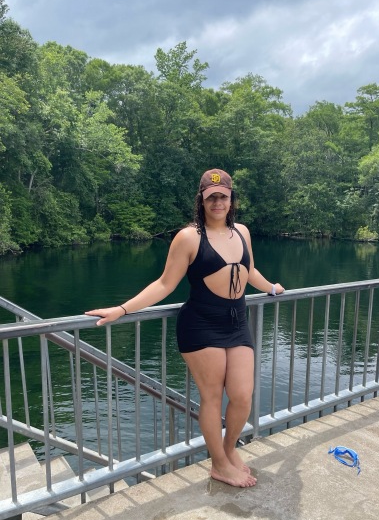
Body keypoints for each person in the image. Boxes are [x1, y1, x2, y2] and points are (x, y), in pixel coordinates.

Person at [86, 169, 284, 488]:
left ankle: (229, 450)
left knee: (242, 395)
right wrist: (122, 309)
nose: (217, 202)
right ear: (201, 201)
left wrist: (271, 287)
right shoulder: (190, 237)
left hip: (236, 322)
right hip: (201, 324)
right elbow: (165, 284)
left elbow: (248, 271)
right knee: (211, 396)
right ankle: (219, 464)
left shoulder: (242, 232)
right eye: (211, 197)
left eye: (223, 196)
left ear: (232, 199)